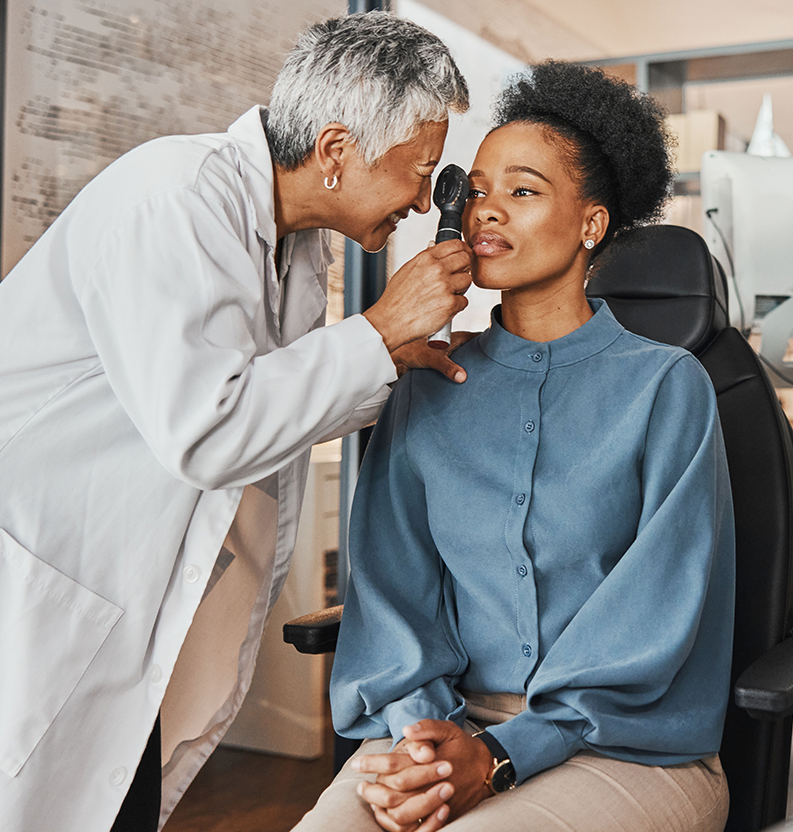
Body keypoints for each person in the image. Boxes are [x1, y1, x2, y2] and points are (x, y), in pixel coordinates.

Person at [0, 12, 476, 832]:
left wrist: (394, 361)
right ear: (336, 152)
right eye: (419, 170)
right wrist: (376, 331)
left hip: (68, 561)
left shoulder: (295, 249)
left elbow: (274, 404)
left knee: (82, 790)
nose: (421, 197)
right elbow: (209, 430)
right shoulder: (177, 195)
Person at [294, 62, 736, 832]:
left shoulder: (667, 388)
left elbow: (652, 621)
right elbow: (393, 596)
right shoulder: (425, 382)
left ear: (592, 224)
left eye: (523, 192)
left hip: (620, 745)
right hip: (442, 726)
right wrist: (425, 740)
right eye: (478, 192)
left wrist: (501, 755)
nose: (487, 212)